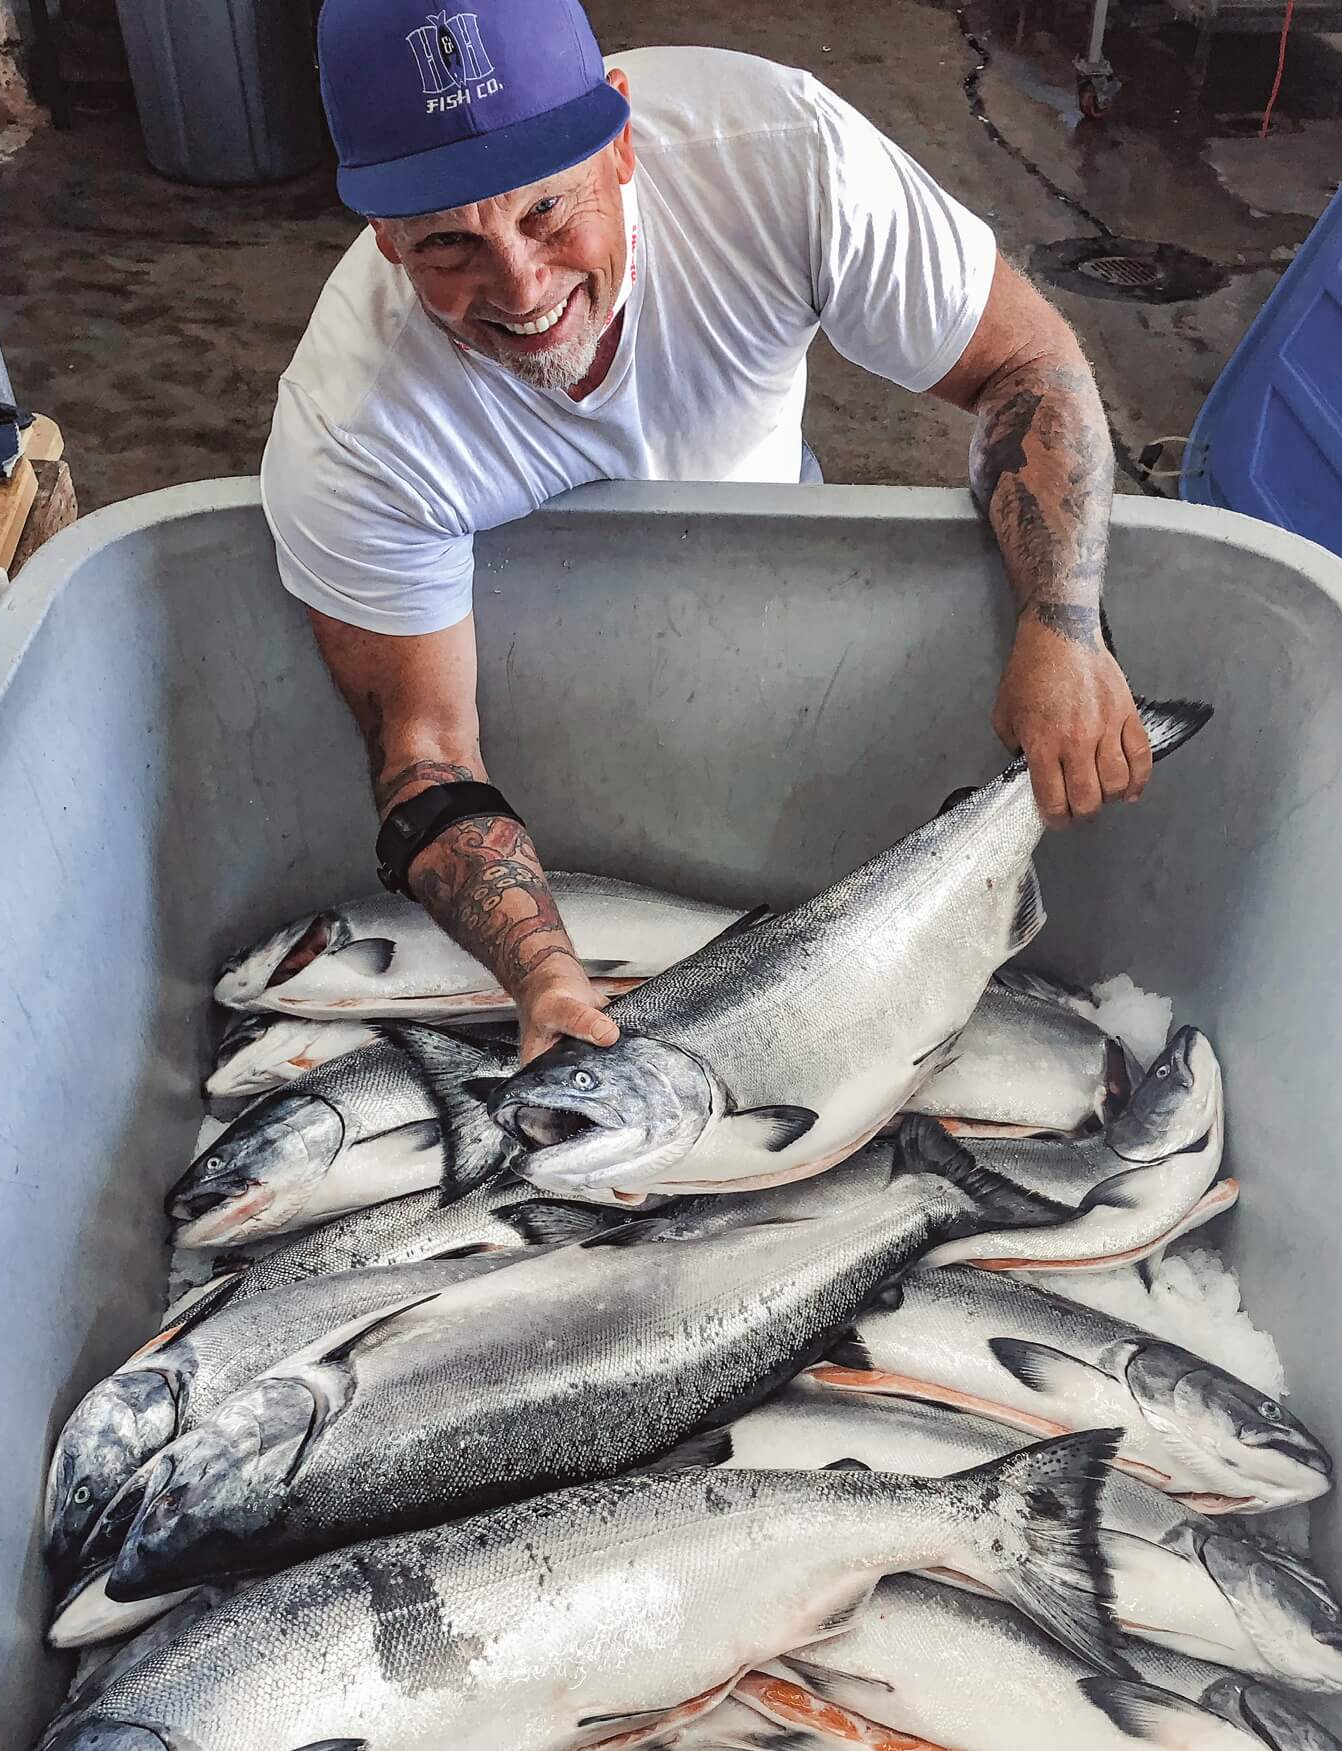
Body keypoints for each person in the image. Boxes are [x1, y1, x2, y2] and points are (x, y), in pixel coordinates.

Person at [263, 0, 1152, 1065]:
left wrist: (1060, 626)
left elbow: (1025, 364)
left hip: (780, 564)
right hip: (532, 673)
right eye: (448, 242)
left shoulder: (779, 157)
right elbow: (428, 755)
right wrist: (546, 976)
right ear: (382, 235)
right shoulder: (349, 428)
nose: (521, 285)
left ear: (622, 141)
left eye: (548, 210)